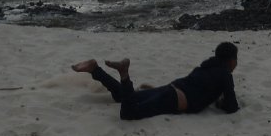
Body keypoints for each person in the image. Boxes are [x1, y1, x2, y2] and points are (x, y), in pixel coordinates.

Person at [72, 43, 241, 121]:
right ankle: (124, 74)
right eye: (236, 59)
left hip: (170, 89)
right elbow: (232, 107)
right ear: (231, 60)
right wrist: (221, 103)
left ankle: (95, 69)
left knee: (125, 97)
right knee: (128, 113)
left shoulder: (206, 67)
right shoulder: (225, 74)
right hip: (174, 100)